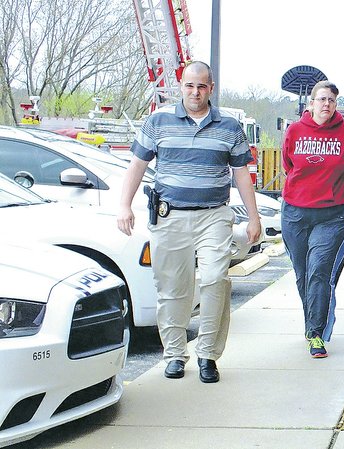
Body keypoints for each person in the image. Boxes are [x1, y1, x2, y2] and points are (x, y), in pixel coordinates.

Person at [117, 61, 261, 383]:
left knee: (215, 279)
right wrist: (124, 206)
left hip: (213, 216)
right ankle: (174, 355)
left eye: (201, 86)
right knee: (172, 289)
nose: (195, 92)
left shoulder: (229, 127)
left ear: (211, 88)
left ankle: (208, 354)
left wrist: (254, 217)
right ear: (181, 87)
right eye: (189, 86)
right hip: (171, 218)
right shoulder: (158, 121)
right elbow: (137, 165)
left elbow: (241, 174)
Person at [281, 80, 344, 358]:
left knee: (319, 271)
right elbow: (288, 164)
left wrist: (335, 187)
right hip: (295, 212)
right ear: (311, 104)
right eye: (321, 99)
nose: (326, 104)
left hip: (333, 214)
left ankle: (315, 333)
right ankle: (312, 324)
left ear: (335, 104)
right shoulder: (295, 131)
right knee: (302, 274)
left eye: (331, 100)